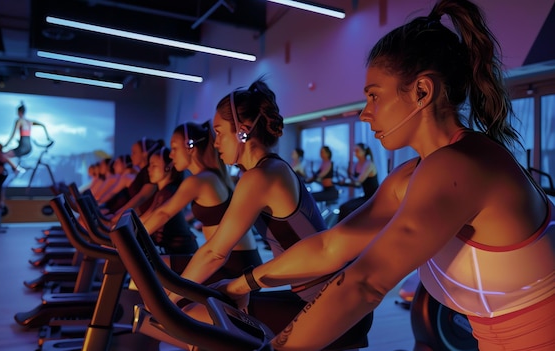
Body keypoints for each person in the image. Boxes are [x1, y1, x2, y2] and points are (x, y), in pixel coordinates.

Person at [218, 1, 555, 350]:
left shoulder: (460, 165)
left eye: (374, 96)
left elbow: (366, 283)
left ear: (422, 92)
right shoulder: (413, 174)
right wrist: (237, 285)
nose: (365, 114)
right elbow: (329, 247)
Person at [171, 78, 372, 347]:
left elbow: (215, 252)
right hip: (322, 294)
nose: (216, 143)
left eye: (219, 132)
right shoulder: (267, 170)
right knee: (211, 311)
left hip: (334, 301)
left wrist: (168, 298)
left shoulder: (261, 176)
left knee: (196, 317)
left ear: (242, 131)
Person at [141, 121, 261, 279]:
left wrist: (129, 241)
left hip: (234, 265)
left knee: (148, 273)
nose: (171, 155)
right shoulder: (210, 176)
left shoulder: (200, 180)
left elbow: (163, 213)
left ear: (190, 147)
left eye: (175, 148)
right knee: (151, 270)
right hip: (238, 259)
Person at [140, 147, 198, 255]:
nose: (149, 169)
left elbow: (160, 215)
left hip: (181, 253)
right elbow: (147, 217)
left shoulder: (168, 192)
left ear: (168, 167)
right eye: (149, 165)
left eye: (154, 165)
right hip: (176, 250)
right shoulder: (162, 192)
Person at [101, 138, 163, 223]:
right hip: (131, 216)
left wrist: (116, 217)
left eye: (134, 152)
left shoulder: (147, 174)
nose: (131, 156)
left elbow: (142, 199)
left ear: (144, 154)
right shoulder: (142, 173)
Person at [338, 142, 379, 221]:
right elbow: (354, 180)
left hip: (374, 198)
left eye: (357, 150)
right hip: (366, 196)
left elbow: (358, 181)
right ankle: (339, 230)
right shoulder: (357, 164)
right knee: (343, 207)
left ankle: (345, 230)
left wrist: (347, 180)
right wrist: (345, 179)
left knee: (347, 209)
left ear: (364, 152)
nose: (355, 153)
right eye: (354, 151)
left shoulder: (369, 164)